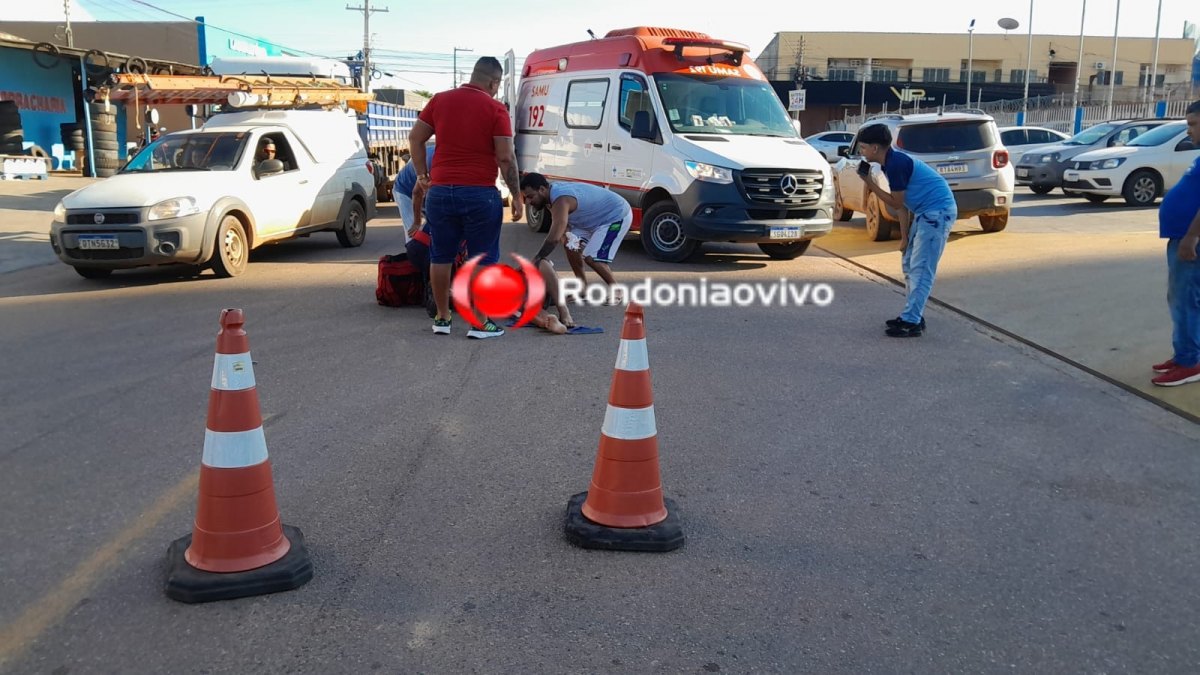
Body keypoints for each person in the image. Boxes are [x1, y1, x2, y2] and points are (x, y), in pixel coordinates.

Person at [408, 56, 522, 339]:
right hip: (479, 193)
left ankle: (442, 318)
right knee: (482, 257)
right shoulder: (495, 108)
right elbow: (505, 157)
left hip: (439, 193)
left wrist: (422, 176)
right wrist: (517, 195)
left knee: (440, 255)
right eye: (497, 85)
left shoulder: (439, 100)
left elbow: (415, 138)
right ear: (494, 82)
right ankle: (480, 323)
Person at [857, 123, 957, 338]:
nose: (861, 152)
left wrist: (870, 183)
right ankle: (913, 314)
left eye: (863, 147)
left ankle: (911, 321)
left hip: (937, 213)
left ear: (875, 148)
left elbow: (895, 202)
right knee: (909, 263)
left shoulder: (896, 164)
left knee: (921, 269)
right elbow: (902, 207)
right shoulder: (889, 163)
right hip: (925, 214)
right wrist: (904, 238)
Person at [520, 172, 633, 305]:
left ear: (542, 189)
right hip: (591, 220)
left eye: (530, 197)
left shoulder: (561, 199)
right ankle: (582, 289)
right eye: (525, 198)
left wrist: (536, 260)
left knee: (591, 257)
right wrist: (566, 236)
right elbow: (562, 225)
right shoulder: (550, 196)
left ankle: (617, 290)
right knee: (570, 244)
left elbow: (553, 239)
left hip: (615, 216)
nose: (528, 202)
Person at [1150, 100, 1200, 387]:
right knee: (1183, 300)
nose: (1188, 131)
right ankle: (1185, 355)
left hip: (1191, 240)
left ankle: (1189, 362)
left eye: (1193, 124)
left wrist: (1191, 237)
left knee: (1184, 301)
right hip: (1184, 237)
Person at [393, 144, 436, 243]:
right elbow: (417, 193)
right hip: (405, 190)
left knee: (437, 227)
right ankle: (413, 249)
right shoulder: (433, 162)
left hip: (426, 190)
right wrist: (417, 222)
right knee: (414, 234)